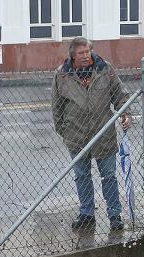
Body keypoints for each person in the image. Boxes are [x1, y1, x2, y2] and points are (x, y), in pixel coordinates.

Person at [52, 37, 133, 231]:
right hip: (76, 137)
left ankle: (115, 215)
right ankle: (87, 214)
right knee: (82, 176)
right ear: (73, 55)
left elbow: (121, 95)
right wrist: (66, 132)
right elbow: (57, 108)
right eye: (81, 53)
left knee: (109, 176)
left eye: (88, 51)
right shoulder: (62, 75)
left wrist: (125, 114)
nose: (85, 56)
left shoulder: (105, 69)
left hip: (103, 135)